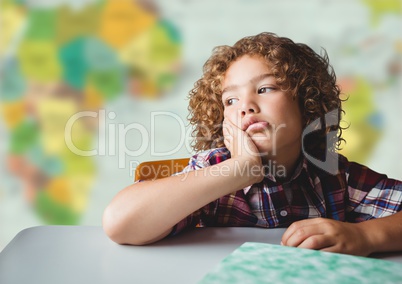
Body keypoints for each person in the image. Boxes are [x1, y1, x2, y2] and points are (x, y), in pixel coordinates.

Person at [103, 32, 402, 256]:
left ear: (307, 104)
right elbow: (119, 223)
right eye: (230, 100)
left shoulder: (335, 178)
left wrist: (366, 237)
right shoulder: (212, 170)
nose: (245, 106)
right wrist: (241, 168)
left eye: (265, 88)